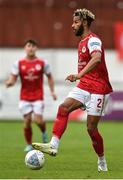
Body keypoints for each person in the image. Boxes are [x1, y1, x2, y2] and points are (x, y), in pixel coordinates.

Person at [32, 9, 113, 171]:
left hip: (99, 88)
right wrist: (81, 78)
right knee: (63, 108)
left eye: (76, 22)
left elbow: (96, 59)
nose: (72, 25)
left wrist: (78, 75)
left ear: (84, 23)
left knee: (91, 128)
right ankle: (53, 145)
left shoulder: (93, 40)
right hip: (84, 85)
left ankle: (102, 160)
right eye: (73, 22)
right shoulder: (81, 42)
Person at [5, 39, 57, 152]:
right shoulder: (18, 63)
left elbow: (50, 77)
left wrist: (52, 91)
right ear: (25, 48)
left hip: (38, 97)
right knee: (27, 121)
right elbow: (13, 78)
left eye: (33, 46)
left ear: (36, 48)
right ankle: (29, 144)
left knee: (38, 121)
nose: (31, 48)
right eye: (29, 46)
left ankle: (43, 133)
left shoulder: (43, 63)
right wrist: (10, 83)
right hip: (24, 97)